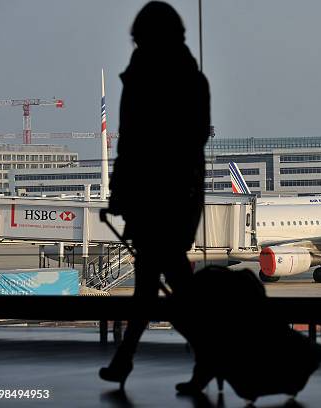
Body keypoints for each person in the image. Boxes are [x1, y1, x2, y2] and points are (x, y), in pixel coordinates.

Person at [99, 1, 210, 389]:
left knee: (156, 286)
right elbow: (193, 140)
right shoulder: (193, 80)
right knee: (163, 284)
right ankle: (202, 358)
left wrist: (121, 192)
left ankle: (130, 360)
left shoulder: (142, 80)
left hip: (153, 195)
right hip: (179, 193)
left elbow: (131, 145)